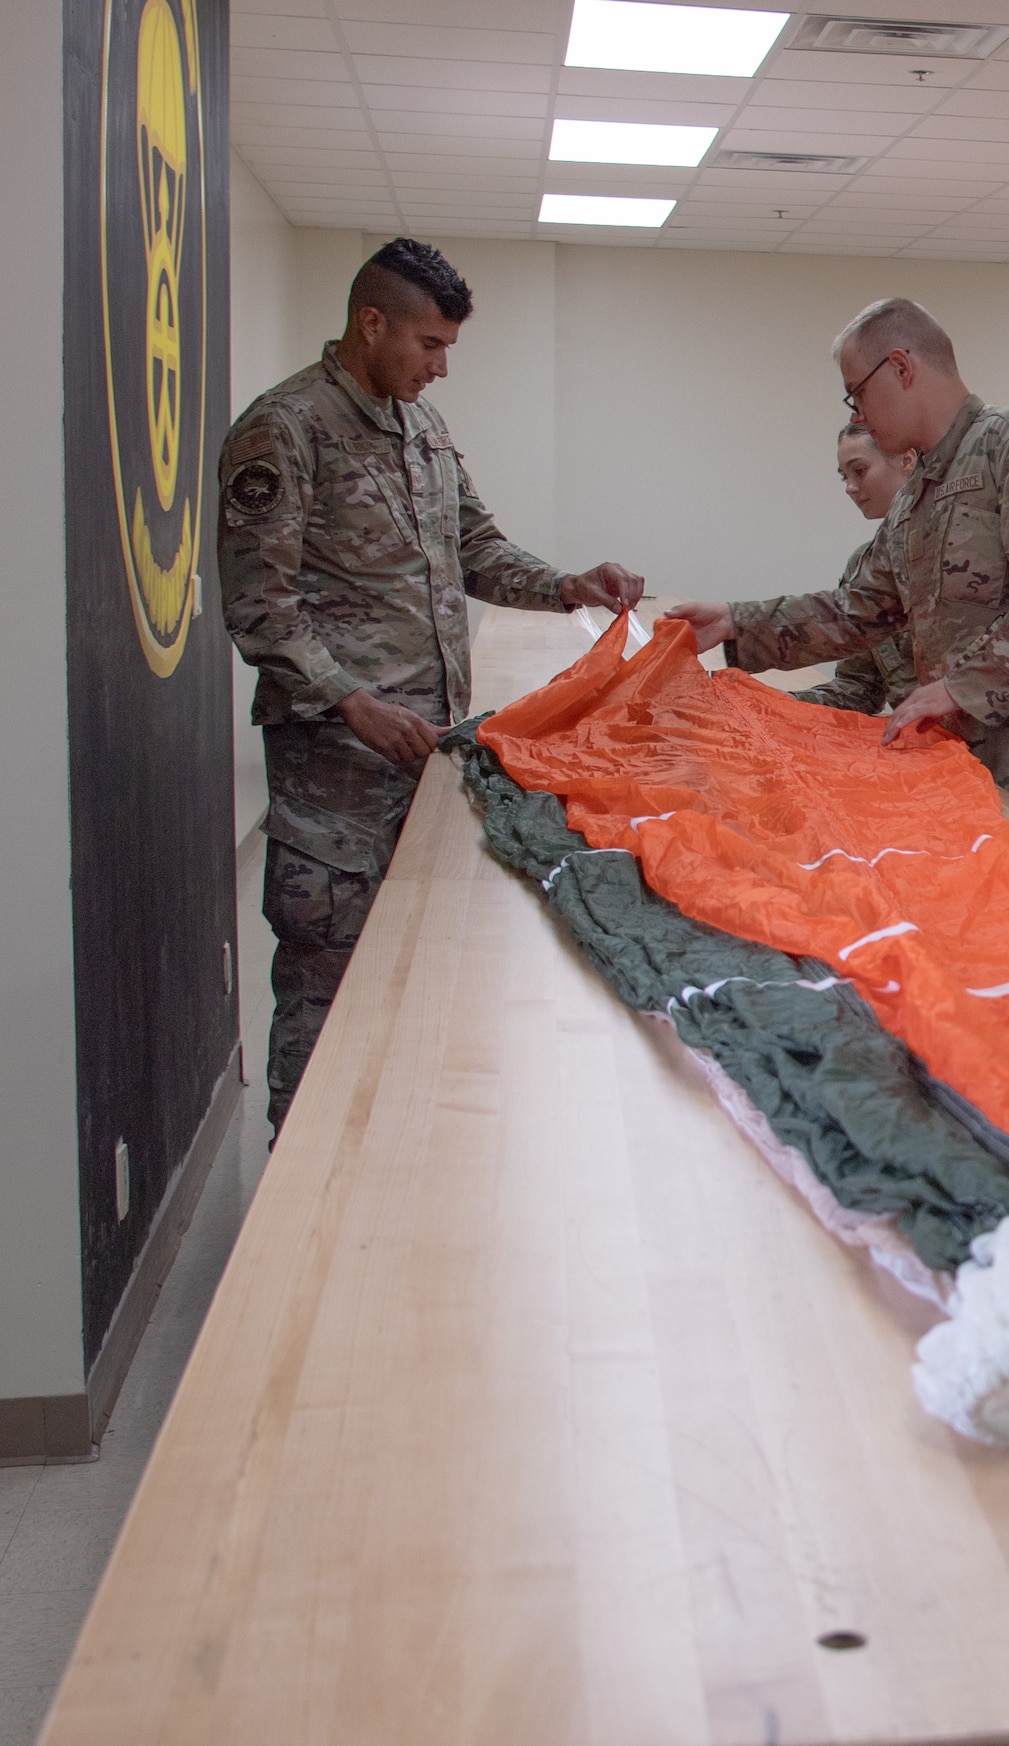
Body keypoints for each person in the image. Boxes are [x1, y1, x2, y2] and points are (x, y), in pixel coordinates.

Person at [219, 237, 644, 1132]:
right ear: (371, 324)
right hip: (333, 782)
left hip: (421, 763)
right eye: (430, 345)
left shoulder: (424, 430)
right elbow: (261, 607)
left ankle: (388, 1163)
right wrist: (350, 700)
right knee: (323, 990)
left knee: (411, 979)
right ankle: (297, 1191)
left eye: (450, 347)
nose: (442, 367)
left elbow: (477, 550)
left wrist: (567, 584)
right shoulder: (285, 430)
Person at [667, 297, 1009, 867]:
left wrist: (963, 687)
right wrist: (735, 620)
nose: (859, 414)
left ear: (901, 367)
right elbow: (862, 610)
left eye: (859, 393)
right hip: (973, 764)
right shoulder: (917, 495)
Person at [794, 420, 917, 715]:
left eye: (859, 471)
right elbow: (859, 688)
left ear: (907, 460)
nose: (850, 488)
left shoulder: (965, 548)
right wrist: (774, 703)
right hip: (926, 748)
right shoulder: (863, 566)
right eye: (844, 477)